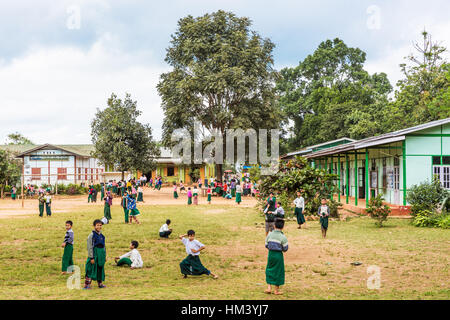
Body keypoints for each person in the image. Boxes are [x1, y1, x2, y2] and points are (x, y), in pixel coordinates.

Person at [264, 218, 288, 295]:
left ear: (274, 226)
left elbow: (266, 244)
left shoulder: (270, 234)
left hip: (270, 254)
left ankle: (269, 288)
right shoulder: (283, 237)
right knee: (278, 271)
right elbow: (285, 248)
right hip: (278, 255)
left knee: (269, 269)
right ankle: (276, 290)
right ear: (283, 227)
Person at [84, 219, 106, 289]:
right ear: (94, 226)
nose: (99, 227)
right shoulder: (91, 235)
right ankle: (87, 285)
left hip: (101, 255)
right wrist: (91, 257)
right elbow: (90, 247)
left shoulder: (102, 236)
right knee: (91, 268)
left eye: (100, 225)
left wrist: (104, 256)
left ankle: (100, 284)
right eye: (97, 225)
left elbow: (104, 246)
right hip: (95, 254)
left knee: (100, 268)